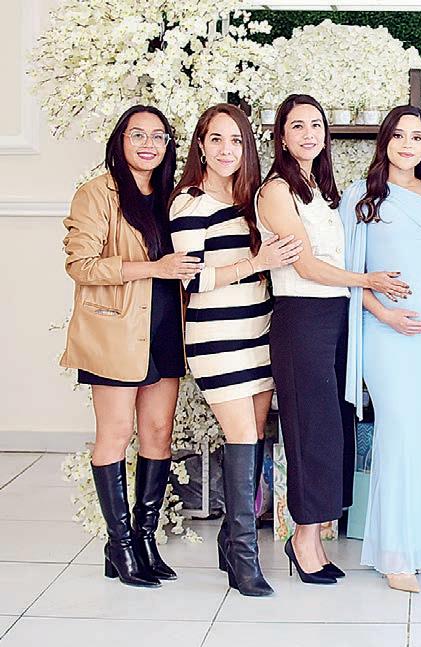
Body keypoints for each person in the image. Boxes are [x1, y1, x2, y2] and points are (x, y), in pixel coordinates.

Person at [256, 94, 409, 585]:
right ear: (282, 137)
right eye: (297, 126)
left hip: (336, 317)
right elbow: (304, 266)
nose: (309, 134)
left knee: (333, 427)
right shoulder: (276, 191)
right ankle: (303, 541)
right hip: (301, 318)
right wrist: (369, 282)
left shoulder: (322, 192)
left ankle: (314, 536)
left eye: (316, 126)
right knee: (310, 430)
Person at [170, 103, 302, 597]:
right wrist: (257, 262)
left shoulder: (250, 198)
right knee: (242, 436)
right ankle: (246, 557)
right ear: (201, 146)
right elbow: (192, 279)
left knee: (255, 438)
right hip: (217, 336)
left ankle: (231, 541)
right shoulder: (189, 203)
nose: (227, 150)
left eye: (237, 140)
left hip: (258, 331)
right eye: (217, 139)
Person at [62, 105, 192, 588]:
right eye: (138, 134)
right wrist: (153, 269)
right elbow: (81, 265)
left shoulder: (172, 197)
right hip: (116, 332)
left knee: (158, 433)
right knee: (116, 434)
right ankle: (119, 545)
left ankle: (145, 539)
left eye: (158, 136)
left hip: (165, 328)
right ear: (120, 140)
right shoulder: (96, 194)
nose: (148, 144)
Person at [342, 105, 421, 593]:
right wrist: (383, 311)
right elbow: (348, 273)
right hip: (387, 332)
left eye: (417, 137)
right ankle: (395, 553)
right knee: (397, 431)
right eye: (399, 135)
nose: (408, 144)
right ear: (385, 141)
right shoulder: (360, 195)